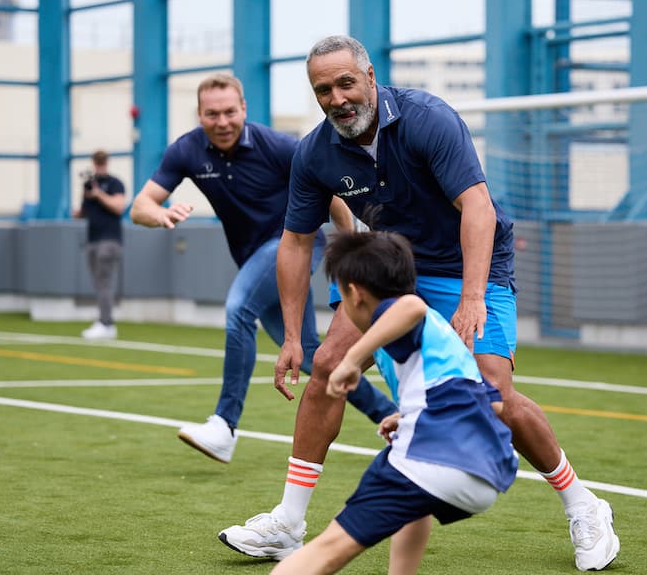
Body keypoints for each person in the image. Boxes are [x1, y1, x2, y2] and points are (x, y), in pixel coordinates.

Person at [218, 36, 620, 571]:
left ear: (369, 76)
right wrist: (292, 335)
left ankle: (584, 504)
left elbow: (476, 205)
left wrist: (473, 297)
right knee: (326, 365)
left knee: (492, 393)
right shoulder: (314, 152)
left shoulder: (429, 118)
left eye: (345, 82)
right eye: (323, 89)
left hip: (467, 260)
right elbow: (295, 242)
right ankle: (289, 524)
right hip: (395, 266)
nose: (337, 98)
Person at [129, 73, 396, 464]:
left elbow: (333, 194)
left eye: (230, 112)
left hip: (294, 246)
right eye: (212, 114)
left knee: (239, 308)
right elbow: (140, 207)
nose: (222, 122)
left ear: (244, 110)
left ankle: (224, 424)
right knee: (310, 357)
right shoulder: (186, 150)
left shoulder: (277, 145)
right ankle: (394, 418)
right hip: (256, 257)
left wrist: (351, 247)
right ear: (200, 115)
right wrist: (161, 215)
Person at [270, 230, 517, 575]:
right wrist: (411, 414)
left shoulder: (403, 312)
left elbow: (411, 305)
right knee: (414, 505)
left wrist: (351, 360)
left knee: (323, 551)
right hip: (487, 471)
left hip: (434, 458)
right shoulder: (440, 339)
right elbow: (495, 406)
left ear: (354, 293)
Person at [72, 149, 126, 340]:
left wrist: (99, 194)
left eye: (102, 162)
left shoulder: (115, 183)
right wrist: (78, 211)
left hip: (109, 240)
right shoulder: (89, 185)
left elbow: (119, 207)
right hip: (92, 239)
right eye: (97, 162)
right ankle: (104, 321)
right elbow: (84, 212)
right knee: (98, 283)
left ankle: (106, 323)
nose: (99, 165)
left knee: (104, 282)